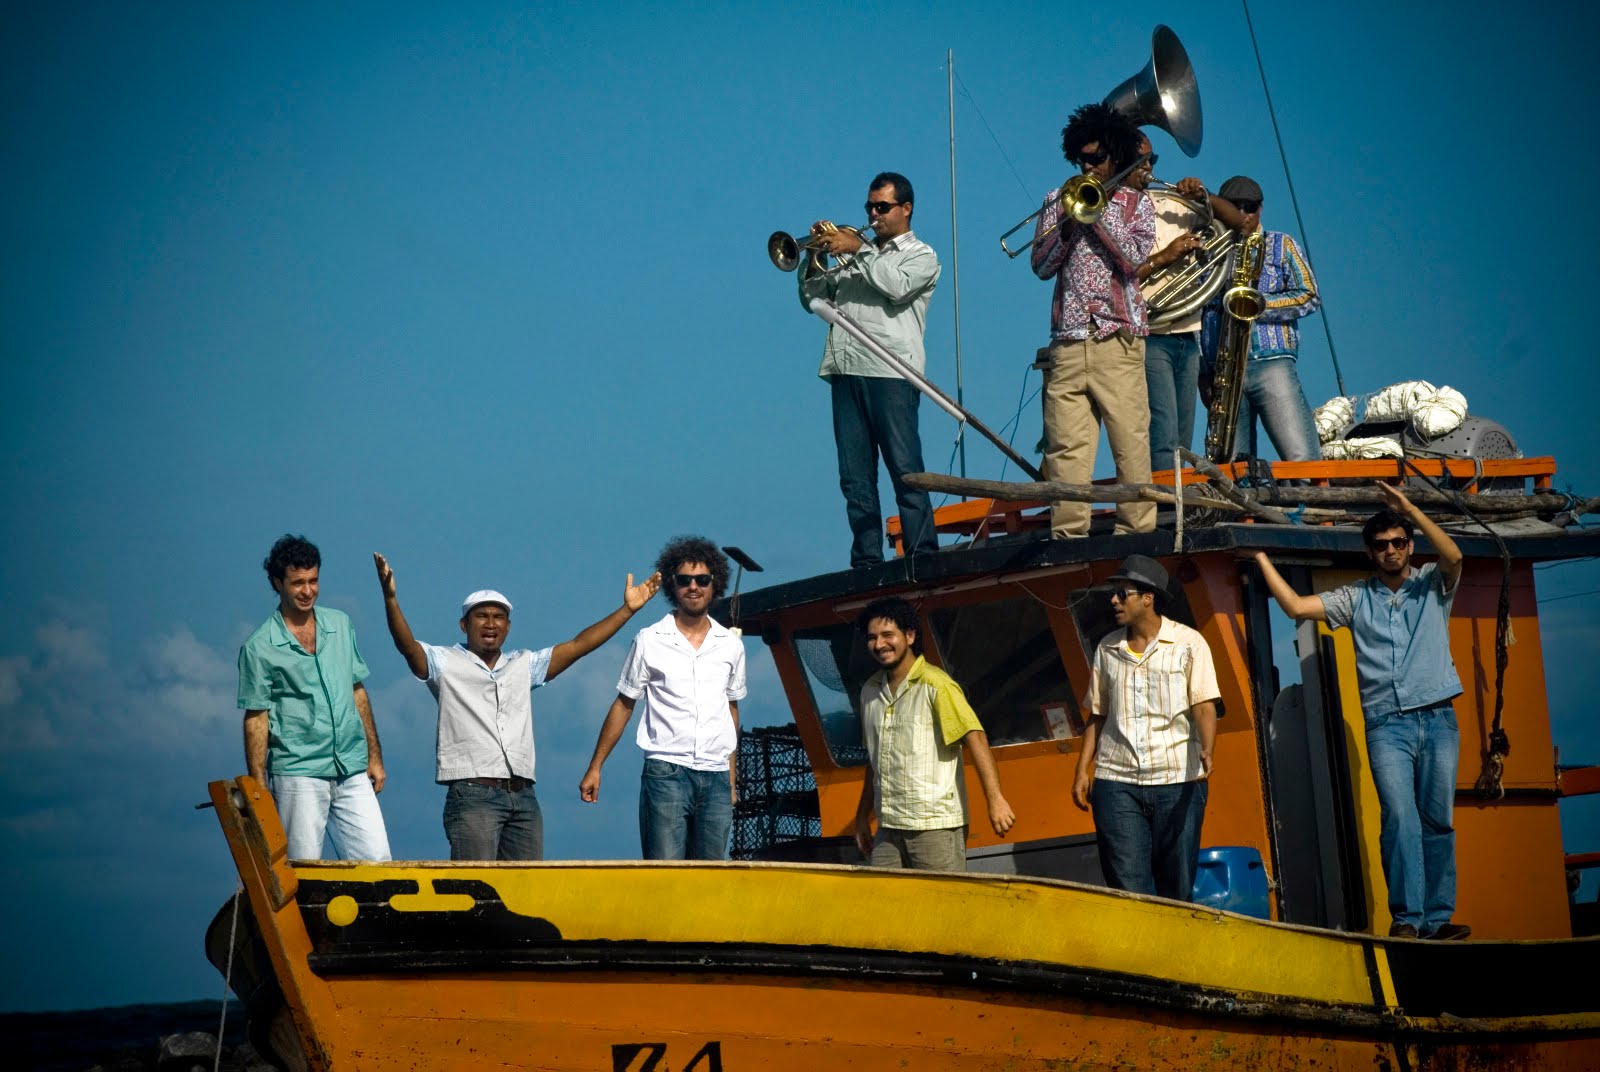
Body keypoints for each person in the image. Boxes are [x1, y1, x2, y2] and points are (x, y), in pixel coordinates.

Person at [1252, 484, 1471, 940]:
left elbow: (1454, 556)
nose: (1390, 551)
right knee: (1398, 817)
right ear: (1369, 551)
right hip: (1387, 724)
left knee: (1438, 821)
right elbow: (1294, 605)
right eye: (1381, 545)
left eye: (1398, 542)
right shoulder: (1355, 598)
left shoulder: (1432, 584)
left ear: (1410, 546)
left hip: (1437, 717)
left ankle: (1436, 921)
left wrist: (1408, 507)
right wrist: (1259, 557)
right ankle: (1407, 921)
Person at [373, 553, 660, 861]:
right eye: (481, 616)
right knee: (478, 892)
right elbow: (408, 647)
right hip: (472, 794)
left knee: (525, 893)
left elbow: (578, 646)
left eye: (498, 617)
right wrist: (390, 598)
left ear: (508, 627)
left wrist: (627, 611)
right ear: (463, 624)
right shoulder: (444, 662)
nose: (490, 623)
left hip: (524, 797)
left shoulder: (522, 664)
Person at [799, 171, 941, 568]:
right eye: (870, 207)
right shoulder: (856, 253)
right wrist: (814, 259)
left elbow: (896, 287)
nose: (874, 214)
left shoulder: (922, 255)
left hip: (892, 372)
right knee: (854, 477)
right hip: (845, 369)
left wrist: (858, 247)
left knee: (905, 469)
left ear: (906, 209)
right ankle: (865, 560)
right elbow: (812, 300)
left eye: (883, 207)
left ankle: (922, 554)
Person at [1031, 103, 1157, 538]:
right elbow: (1042, 266)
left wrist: (1096, 211)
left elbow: (1135, 259)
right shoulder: (1057, 199)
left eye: (1096, 158)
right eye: (1081, 158)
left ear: (1116, 156)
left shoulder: (1136, 204)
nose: (1088, 166)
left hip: (1117, 338)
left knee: (1130, 443)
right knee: (1066, 448)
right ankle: (1068, 536)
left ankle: (1136, 533)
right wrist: (1067, 225)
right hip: (1067, 339)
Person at [580, 537, 746, 860]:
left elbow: (731, 711)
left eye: (702, 580)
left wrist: (731, 778)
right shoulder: (649, 640)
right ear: (673, 585)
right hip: (665, 773)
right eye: (685, 580)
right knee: (665, 876)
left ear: (716, 584)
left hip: (716, 779)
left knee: (710, 879)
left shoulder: (731, 645)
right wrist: (595, 767)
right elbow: (623, 705)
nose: (693, 587)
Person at [1072, 554, 1219, 900]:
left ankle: (1177, 952)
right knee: (1127, 890)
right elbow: (1097, 714)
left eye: (1122, 593)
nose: (1113, 600)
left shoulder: (1189, 643)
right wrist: (1081, 770)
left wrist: (1208, 749)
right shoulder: (1107, 649)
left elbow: (1204, 705)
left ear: (1148, 598)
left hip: (1177, 779)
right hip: (1116, 781)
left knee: (1177, 886)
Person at [238, 534, 391, 861]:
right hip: (298, 773)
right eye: (297, 583)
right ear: (277, 583)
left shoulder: (340, 624)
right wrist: (258, 785)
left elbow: (357, 692)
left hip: (351, 766)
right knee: (303, 871)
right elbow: (256, 717)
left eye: (313, 580)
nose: (308, 591)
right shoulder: (259, 646)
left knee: (379, 868)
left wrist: (374, 757)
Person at [852, 597, 1015, 871]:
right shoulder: (869, 692)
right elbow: (874, 761)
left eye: (888, 635)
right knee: (887, 904)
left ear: (910, 636)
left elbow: (975, 737)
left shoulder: (936, 684)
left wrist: (995, 800)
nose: (879, 645)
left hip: (935, 825)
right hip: (888, 826)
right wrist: (861, 818)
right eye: (872, 638)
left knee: (944, 905)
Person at [1126, 139, 1253, 471]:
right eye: (1138, 161)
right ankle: (1167, 514)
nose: (1148, 167)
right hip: (1150, 334)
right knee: (1164, 433)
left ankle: (1175, 505)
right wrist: (1168, 256)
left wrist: (1203, 195)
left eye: (1151, 159)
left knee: (1182, 439)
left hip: (1187, 333)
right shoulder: (1115, 213)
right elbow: (1115, 277)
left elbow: (1239, 225)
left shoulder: (1172, 203)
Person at [1199, 175, 1323, 462]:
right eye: (1235, 206)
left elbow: (1309, 294)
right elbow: (1199, 314)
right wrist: (1203, 372)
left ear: (1260, 209)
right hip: (1223, 369)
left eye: (1250, 207)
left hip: (1271, 363)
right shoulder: (1208, 250)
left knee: (1300, 458)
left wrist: (1258, 305)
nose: (1243, 214)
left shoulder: (1281, 244)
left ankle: (1303, 506)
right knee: (1230, 466)